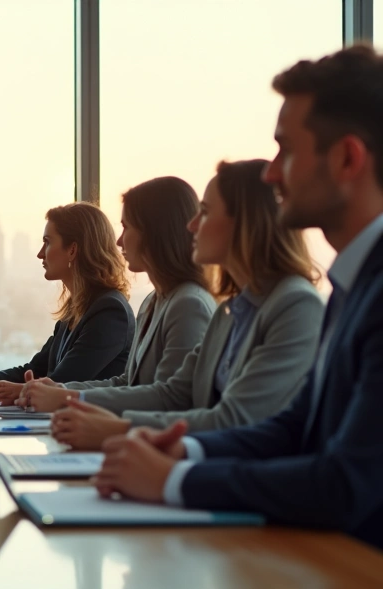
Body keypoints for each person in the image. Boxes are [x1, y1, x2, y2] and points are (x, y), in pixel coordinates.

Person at [95, 46, 383, 550]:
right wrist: (180, 452)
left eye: (286, 151)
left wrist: (172, 481)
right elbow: (295, 428)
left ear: (347, 159)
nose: (272, 174)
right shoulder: (353, 285)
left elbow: (345, 483)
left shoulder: (348, 295)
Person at [48, 160, 322, 450]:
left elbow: (235, 418)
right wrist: (72, 397)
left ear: (244, 222)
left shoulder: (294, 304)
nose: (191, 226)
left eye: (204, 213)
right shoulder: (230, 311)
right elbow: (176, 393)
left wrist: (115, 427)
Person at [19, 177, 216, 413]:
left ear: (155, 232)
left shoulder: (188, 305)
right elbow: (127, 382)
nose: (120, 240)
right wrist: (65, 392)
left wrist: (68, 397)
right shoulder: (153, 301)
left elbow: (170, 399)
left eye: (127, 227)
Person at [0, 202, 135, 402]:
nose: (40, 254)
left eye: (47, 242)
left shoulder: (109, 311)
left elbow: (62, 383)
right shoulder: (78, 306)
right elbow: (35, 369)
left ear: (72, 249)